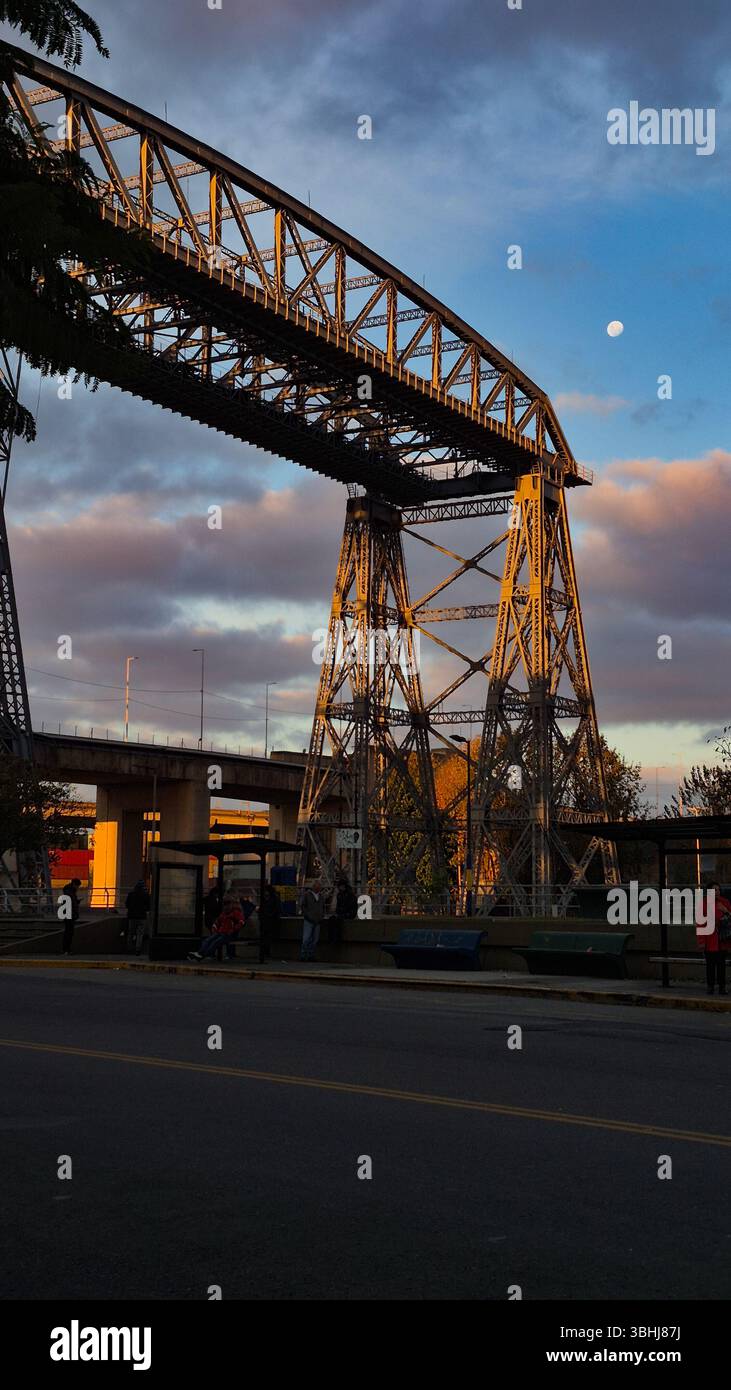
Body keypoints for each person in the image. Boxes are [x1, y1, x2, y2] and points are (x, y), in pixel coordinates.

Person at [697, 880, 731, 995]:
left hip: (722, 939)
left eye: (718, 889)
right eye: (714, 890)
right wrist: (701, 941)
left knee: (721, 965)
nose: (716, 892)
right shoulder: (704, 903)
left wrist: (725, 911)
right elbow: (700, 923)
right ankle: (710, 986)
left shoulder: (725, 902)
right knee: (710, 965)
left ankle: (722, 987)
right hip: (709, 939)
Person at [188, 895, 243, 963]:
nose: (226, 906)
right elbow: (217, 922)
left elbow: (241, 922)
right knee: (207, 940)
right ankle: (200, 953)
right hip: (220, 932)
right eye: (225, 904)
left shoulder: (236, 912)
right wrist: (214, 927)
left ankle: (203, 955)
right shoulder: (224, 913)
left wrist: (233, 930)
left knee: (216, 942)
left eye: (228, 903)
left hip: (229, 934)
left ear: (232, 904)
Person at [325, 874, 357, 945]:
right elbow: (338, 906)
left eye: (341, 886)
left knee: (337, 921)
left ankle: (336, 939)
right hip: (342, 913)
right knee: (331, 919)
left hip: (349, 913)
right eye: (339, 886)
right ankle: (331, 939)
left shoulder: (350, 895)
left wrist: (342, 912)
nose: (340, 888)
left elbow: (351, 907)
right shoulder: (340, 895)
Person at [301, 879, 326, 962]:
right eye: (318, 886)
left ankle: (311, 955)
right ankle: (304, 955)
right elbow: (303, 906)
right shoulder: (307, 895)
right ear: (314, 887)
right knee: (306, 939)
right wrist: (307, 915)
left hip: (318, 920)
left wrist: (322, 916)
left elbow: (323, 907)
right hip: (309, 920)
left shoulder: (321, 896)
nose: (319, 888)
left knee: (315, 940)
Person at [125, 878, 151, 955]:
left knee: (131, 933)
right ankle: (138, 949)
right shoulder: (146, 895)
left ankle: (129, 949)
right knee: (140, 934)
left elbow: (127, 905)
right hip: (142, 917)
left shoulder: (131, 894)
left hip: (132, 916)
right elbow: (149, 906)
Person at [259, 883, 281, 962]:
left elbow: (276, 909)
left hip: (270, 919)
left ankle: (266, 951)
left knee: (267, 936)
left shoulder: (274, 898)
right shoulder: (266, 898)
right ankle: (265, 951)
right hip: (265, 919)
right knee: (265, 936)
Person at [60, 878, 82, 955]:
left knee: (69, 933)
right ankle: (66, 949)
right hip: (69, 915)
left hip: (69, 915)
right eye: (78, 886)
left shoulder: (69, 892)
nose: (78, 888)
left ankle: (67, 949)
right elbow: (69, 904)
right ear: (74, 885)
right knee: (69, 933)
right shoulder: (70, 893)